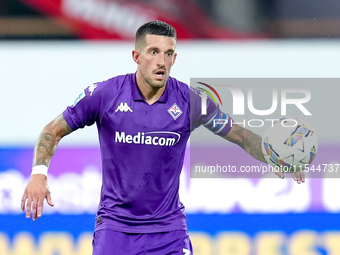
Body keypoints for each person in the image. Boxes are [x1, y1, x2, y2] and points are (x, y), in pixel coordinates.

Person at [21, 20, 305, 255]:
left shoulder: (192, 102)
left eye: (168, 54)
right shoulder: (104, 95)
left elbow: (240, 134)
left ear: (175, 58)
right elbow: (53, 130)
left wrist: (271, 152)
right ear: (136, 56)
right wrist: (38, 174)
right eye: (153, 52)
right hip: (116, 229)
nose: (162, 61)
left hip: (169, 232)